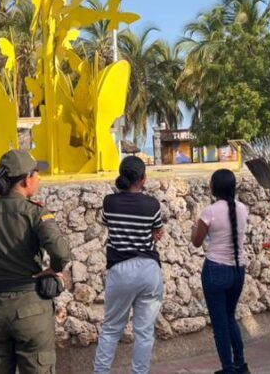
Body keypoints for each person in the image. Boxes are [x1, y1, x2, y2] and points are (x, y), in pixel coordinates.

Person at [0, 150, 72, 374]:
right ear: (26, 179)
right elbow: (61, 254)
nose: (39, 178)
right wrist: (53, 270)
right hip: (32, 308)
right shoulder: (36, 214)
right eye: (36, 173)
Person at [94, 156, 166, 374]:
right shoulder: (152, 205)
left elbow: (107, 223)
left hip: (120, 269)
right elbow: (157, 232)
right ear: (143, 179)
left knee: (111, 329)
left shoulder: (110, 202)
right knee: (144, 332)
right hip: (149, 269)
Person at [192, 169, 250, 374]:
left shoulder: (209, 212)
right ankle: (240, 364)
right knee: (230, 317)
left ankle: (227, 368)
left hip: (215, 269)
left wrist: (194, 228)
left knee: (220, 324)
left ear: (214, 187)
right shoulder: (242, 209)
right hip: (238, 270)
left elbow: (196, 241)